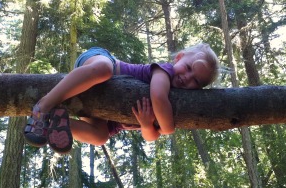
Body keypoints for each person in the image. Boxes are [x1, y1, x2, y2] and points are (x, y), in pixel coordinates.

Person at [24, 44, 219, 153]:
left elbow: (151, 138)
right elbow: (158, 97)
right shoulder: (164, 71)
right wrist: (168, 128)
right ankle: (44, 105)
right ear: (179, 58)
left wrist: (146, 124)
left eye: (196, 81)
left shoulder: (170, 108)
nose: (187, 78)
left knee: (100, 137)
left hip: (103, 116)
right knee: (104, 69)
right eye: (188, 68)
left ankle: (54, 123)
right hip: (100, 61)